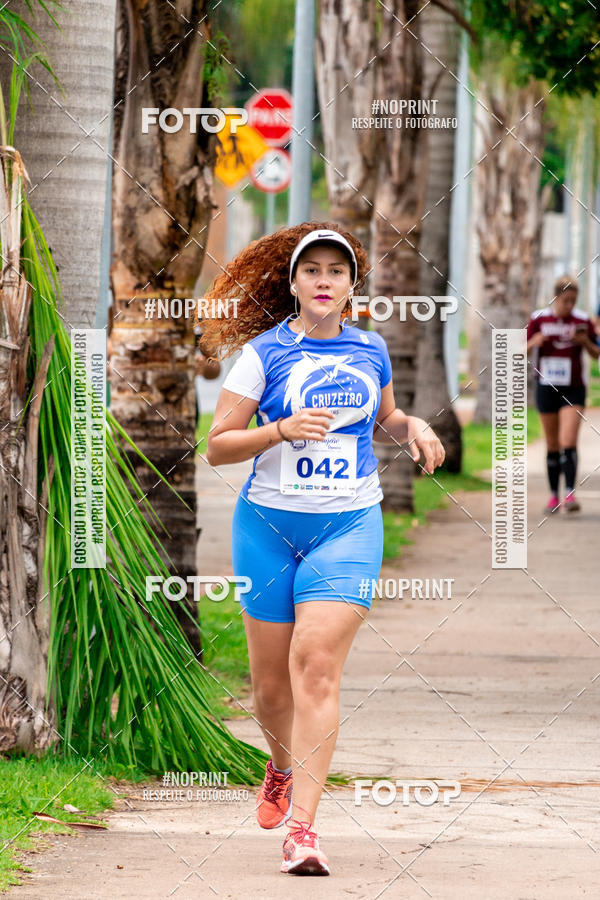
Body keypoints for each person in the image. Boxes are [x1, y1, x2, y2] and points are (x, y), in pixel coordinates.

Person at [203, 222, 445, 876]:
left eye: (337, 272)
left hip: (348, 524)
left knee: (315, 662)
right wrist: (278, 429)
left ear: (351, 287)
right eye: (313, 270)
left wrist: (412, 425)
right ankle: (280, 766)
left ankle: (304, 830)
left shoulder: (371, 350)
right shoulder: (264, 354)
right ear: (293, 282)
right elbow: (218, 444)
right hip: (268, 528)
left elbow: (385, 418)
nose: (324, 281)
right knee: (269, 688)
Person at [526, 273, 599, 514]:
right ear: (556, 297)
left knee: (568, 440)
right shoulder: (538, 319)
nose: (569, 306)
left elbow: (596, 353)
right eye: (565, 300)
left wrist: (585, 342)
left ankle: (569, 493)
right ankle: (552, 496)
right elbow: (518, 353)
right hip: (546, 386)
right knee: (552, 443)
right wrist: (533, 343)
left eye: (573, 301)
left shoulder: (581, 321)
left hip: (573, 387)